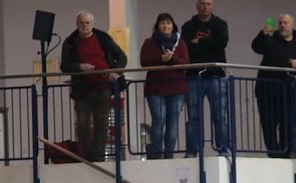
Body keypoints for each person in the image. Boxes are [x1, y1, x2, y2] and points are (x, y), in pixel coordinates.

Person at [60, 11, 128, 162]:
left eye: (87, 23)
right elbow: (64, 65)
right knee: (82, 124)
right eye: (81, 23)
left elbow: (122, 56)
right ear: (77, 24)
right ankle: (87, 156)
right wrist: (79, 66)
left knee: (102, 123)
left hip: (103, 87)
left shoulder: (103, 38)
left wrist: (115, 72)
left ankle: (98, 157)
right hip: (82, 90)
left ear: (92, 24)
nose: (84, 26)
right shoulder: (70, 42)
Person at [252, 14, 296, 158]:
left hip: (290, 91)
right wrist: (263, 34)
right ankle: (273, 153)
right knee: (268, 124)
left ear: (292, 25)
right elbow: (256, 47)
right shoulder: (270, 39)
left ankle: (285, 152)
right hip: (267, 91)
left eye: (285, 23)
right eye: (280, 23)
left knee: (288, 124)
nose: (282, 25)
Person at [182, 0, 230, 157]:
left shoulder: (220, 24)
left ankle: (223, 150)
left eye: (208, 3)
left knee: (220, 116)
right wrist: (209, 44)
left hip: (216, 75)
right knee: (193, 116)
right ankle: (192, 151)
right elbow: (187, 48)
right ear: (197, 6)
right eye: (202, 3)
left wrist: (200, 41)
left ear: (213, 6)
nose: (205, 7)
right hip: (194, 76)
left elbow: (221, 43)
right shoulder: (188, 26)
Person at [140, 13, 190, 160]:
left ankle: (169, 154)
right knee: (158, 120)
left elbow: (186, 64)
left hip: (177, 88)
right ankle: (156, 154)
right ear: (157, 26)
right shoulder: (149, 42)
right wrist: (160, 59)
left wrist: (172, 59)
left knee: (173, 122)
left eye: (168, 23)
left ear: (173, 25)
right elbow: (144, 61)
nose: (165, 26)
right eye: (162, 23)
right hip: (156, 88)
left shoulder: (180, 43)